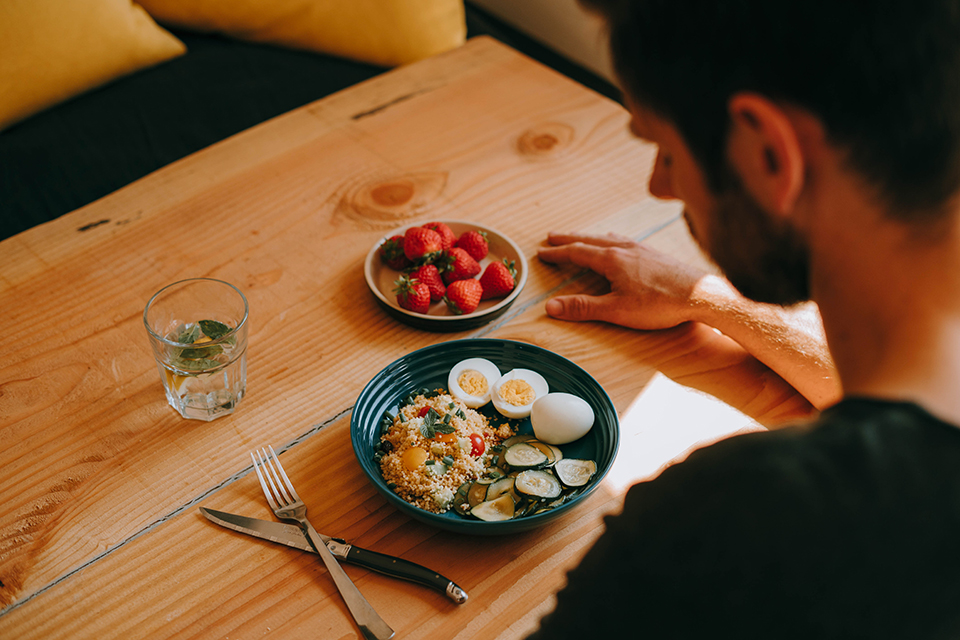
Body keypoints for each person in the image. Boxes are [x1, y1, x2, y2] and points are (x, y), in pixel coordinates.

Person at [526, 0, 960, 637]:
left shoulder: (734, 528)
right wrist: (712, 298)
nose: (660, 187)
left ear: (767, 155)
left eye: (666, 151)